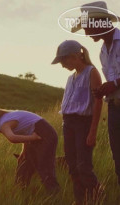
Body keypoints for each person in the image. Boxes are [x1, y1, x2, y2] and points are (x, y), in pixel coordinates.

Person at [72, 1, 120, 186]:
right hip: (114, 110)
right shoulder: (102, 52)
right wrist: (103, 91)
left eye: (87, 27)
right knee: (118, 159)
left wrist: (114, 83)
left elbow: (114, 83)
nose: (85, 33)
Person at [51, 40, 102, 204]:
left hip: (83, 124)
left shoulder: (91, 72)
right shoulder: (70, 78)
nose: (62, 65)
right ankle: (80, 200)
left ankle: (99, 197)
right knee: (72, 166)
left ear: (74, 56)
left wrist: (92, 131)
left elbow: (98, 102)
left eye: (63, 61)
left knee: (83, 166)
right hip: (69, 124)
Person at [0, 101, 59, 194]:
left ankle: (54, 193)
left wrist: (32, 138)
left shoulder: (3, 124)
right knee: (24, 165)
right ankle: (20, 192)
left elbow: (12, 138)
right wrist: (24, 150)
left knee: (44, 166)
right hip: (38, 133)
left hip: (44, 134)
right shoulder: (5, 119)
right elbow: (25, 130)